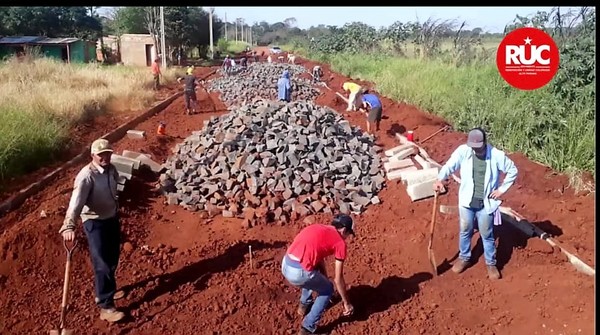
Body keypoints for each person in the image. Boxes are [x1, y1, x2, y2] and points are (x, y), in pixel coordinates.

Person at [433, 128, 518, 280]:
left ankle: (491, 263)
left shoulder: (496, 155)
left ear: (485, 143)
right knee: (465, 230)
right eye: (473, 147)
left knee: (487, 234)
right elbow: (449, 165)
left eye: (478, 148)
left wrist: (501, 190)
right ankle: (464, 257)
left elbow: (512, 170)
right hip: (467, 201)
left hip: (486, 204)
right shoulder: (463, 151)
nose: (476, 150)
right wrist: (440, 179)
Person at [59, 139, 125, 323]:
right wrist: (69, 225)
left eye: (108, 153)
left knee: (112, 257)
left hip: (111, 218)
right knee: (102, 262)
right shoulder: (86, 176)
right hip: (94, 223)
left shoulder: (112, 169)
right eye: (101, 154)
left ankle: (106, 290)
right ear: (93, 156)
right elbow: (76, 202)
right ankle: (106, 306)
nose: (105, 157)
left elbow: (115, 188)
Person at [281, 214, 356, 335]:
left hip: (286, 264)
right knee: (328, 290)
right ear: (344, 230)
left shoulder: (318, 228)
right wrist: (347, 303)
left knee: (311, 271)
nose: (347, 237)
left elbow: (317, 259)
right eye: (348, 234)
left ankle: (304, 306)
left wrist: (324, 278)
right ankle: (308, 328)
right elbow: (338, 279)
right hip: (299, 273)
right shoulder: (340, 243)